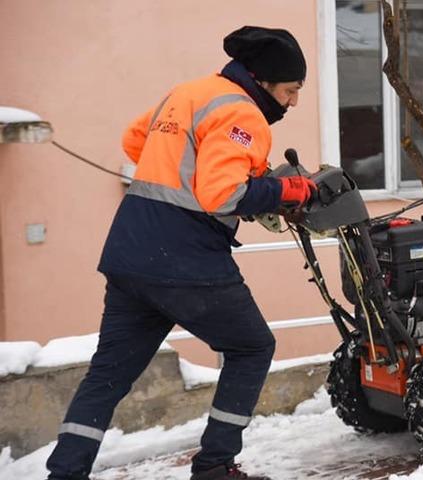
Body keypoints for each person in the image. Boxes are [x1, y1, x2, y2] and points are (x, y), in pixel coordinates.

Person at [45, 26, 315, 480]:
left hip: (130, 254)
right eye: (290, 91)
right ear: (263, 80)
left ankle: (65, 473)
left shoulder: (188, 92)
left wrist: (197, 176)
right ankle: (214, 466)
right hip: (186, 260)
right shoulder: (242, 113)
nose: (293, 102)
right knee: (252, 348)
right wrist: (283, 190)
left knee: (108, 375)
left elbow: (135, 140)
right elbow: (223, 194)